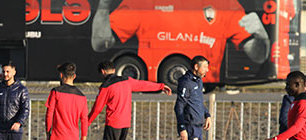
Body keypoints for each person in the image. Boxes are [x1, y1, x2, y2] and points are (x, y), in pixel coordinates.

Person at [91, 0, 270, 83]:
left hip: (204, 82)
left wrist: (261, 37)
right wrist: (104, 5)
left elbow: (257, 55)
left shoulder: (225, 5)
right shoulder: (145, 3)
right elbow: (100, 43)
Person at [88, 60, 171, 140]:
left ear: (103, 72)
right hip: (125, 123)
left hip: (113, 123)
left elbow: (97, 108)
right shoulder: (126, 80)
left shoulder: (106, 86)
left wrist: (86, 123)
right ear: (114, 70)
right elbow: (143, 85)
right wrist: (161, 86)